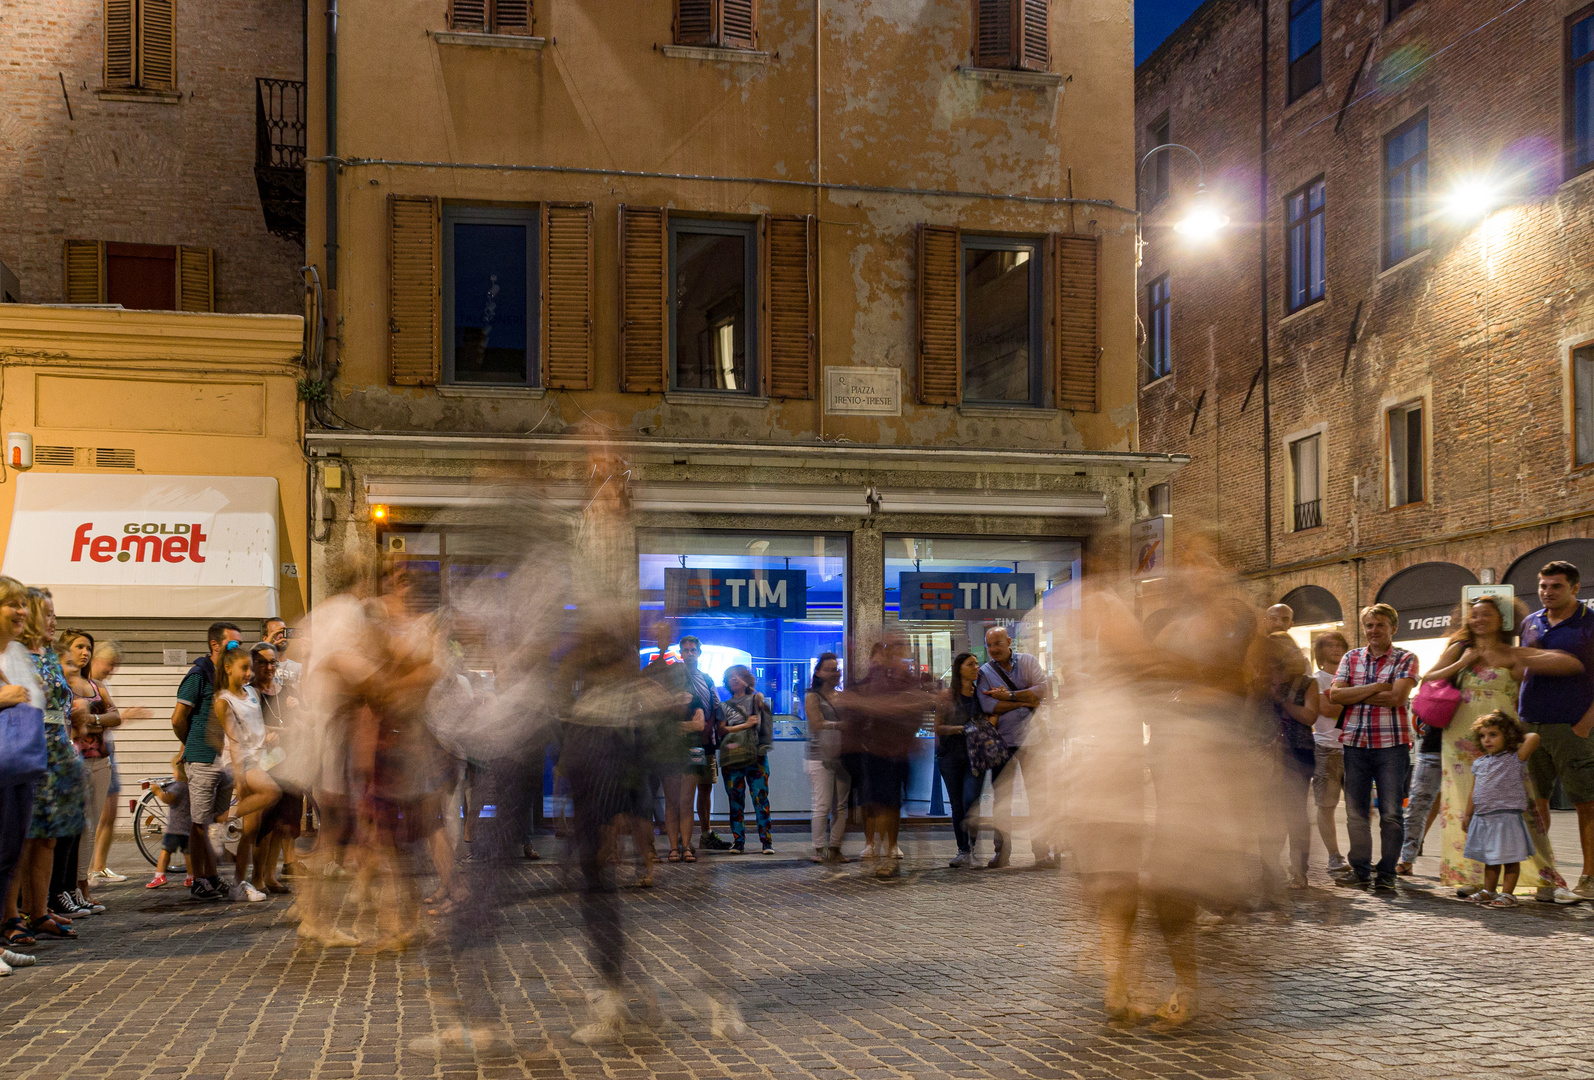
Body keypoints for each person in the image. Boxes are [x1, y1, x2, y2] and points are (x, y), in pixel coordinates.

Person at [1420, 595, 1581, 902]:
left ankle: (1546, 880)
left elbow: (1569, 663)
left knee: (1520, 807)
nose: (1479, 620)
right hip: (1461, 741)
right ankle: (1473, 876)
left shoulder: (1514, 652)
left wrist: (1529, 660)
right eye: (1474, 615)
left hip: (1505, 742)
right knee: (1466, 810)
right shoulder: (1460, 649)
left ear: (1502, 620)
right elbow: (1428, 676)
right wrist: (1462, 663)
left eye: (1486, 615)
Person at [1516, 560, 1594, 899]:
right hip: (1530, 725)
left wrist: (1585, 723)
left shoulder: (1590, 624)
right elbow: (1522, 669)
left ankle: (1589, 877)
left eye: (1556, 586)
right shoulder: (1530, 622)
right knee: (1535, 803)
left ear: (1575, 588)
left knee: (1586, 803)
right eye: (1543, 586)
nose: (1547, 593)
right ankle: (1544, 874)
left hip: (1572, 726)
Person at [1328, 603, 1418, 889]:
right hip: (1355, 743)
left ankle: (1388, 873)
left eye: (1380, 625)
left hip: (1392, 744)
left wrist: (1354, 694)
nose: (1373, 630)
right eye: (1369, 625)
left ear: (1393, 627)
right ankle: (1361, 869)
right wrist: (1378, 686)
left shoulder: (1406, 658)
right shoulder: (1351, 657)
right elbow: (1334, 696)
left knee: (1391, 813)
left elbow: (1396, 698)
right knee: (1356, 813)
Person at [171, 621, 243, 901]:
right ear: (215, 644)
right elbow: (178, 719)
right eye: (233, 643)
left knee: (215, 822)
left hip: (224, 760)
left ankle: (211, 875)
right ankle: (199, 878)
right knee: (199, 822)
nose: (238, 649)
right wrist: (193, 745)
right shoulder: (198, 675)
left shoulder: (227, 676)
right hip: (203, 759)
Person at [977, 626, 1049, 868]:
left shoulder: (1028, 661)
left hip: (1032, 740)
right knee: (1001, 801)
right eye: (989, 645)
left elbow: (1042, 690)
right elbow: (988, 705)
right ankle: (1002, 853)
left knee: (1038, 797)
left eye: (998, 643)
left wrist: (1007, 696)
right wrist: (1022, 698)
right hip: (1002, 742)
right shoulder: (985, 672)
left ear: (1009, 641)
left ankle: (1041, 852)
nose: (993, 649)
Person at [0, 575, 43, 967]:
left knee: (8, 854)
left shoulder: (14, 653)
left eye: (23, 604)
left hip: (17, 767)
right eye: (12, 604)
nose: (22, 611)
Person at [58, 630, 116, 915]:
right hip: (71, 762)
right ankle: (66, 889)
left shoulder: (96, 686)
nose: (85, 653)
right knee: (73, 828)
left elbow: (114, 716)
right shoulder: (60, 686)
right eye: (79, 647)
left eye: (89, 648)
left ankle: (82, 889)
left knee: (90, 827)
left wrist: (93, 720)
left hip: (99, 761)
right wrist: (96, 722)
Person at [1461, 711, 1543, 908]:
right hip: (1484, 817)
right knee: (1491, 857)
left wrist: (1514, 735)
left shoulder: (1515, 758)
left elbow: (1534, 737)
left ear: (1507, 735)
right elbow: (1474, 791)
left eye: (1493, 734)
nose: (1487, 740)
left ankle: (1508, 893)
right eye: (1483, 736)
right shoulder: (1479, 763)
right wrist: (1468, 814)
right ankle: (1489, 890)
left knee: (1510, 858)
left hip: (1506, 817)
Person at [1256, 632, 1318, 889]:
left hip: (1297, 753)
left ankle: (1299, 872)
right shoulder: (1259, 680)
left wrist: (1281, 699)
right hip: (1266, 752)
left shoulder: (1306, 683)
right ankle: (1270, 870)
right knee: (1268, 814)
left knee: (1295, 814)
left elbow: (1309, 716)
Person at [215, 646, 277, 902]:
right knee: (273, 791)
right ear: (228, 668)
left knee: (251, 831)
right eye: (244, 668)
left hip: (259, 758)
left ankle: (239, 884)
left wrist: (278, 733)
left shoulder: (252, 692)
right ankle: (221, 820)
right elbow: (234, 739)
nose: (249, 673)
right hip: (240, 761)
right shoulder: (224, 700)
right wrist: (239, 778)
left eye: (250, 668)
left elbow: (256, 726)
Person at [86, 641, 141, 886]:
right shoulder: (85, 685)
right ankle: (86, 869)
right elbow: (95, 721)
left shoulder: (102, 685)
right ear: (96, 659)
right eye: (110, 663)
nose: (112, 669)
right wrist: (117, 718)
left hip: (108, 750)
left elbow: (112, 718)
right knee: (94, 814)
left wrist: (118, 718)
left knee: (109, 812)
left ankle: (99, 866)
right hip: (91, 752)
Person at [250, 642, 301, 892]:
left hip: (287, 760)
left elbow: (303, 722)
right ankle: (257, 877)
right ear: (253, 665)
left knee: (282, 824)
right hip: (263, 763)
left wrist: (298, 709)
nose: (269, 667)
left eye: (272, 662)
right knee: (265, 825)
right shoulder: (250, 693)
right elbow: (251, 727)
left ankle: (270, 876)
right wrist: (279, 731)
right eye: (262, 662)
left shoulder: (287, 691)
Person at [934, 652, 984, 868]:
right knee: (957, 804)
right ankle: (963, 850)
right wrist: (960, 729)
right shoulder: (947, 696)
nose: (976, 667)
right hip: (951, 755)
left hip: (975, 756)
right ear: (959, 668)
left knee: (971, 800)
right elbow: (937, 727)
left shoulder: (980, 694)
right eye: (970, 664)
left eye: (976, 664)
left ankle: (972, 846)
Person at [679, 637, 728, 853]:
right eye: (686, 650)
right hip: (680, 742)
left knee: (705, 787)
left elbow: (716, 705)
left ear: (699, 653)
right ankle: (682, 835)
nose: (689, 654)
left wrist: (707, 728)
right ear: (681, 653)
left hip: (705, 741)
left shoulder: (706, 679)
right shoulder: (675, 677)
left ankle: (706, 833)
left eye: (693, 650)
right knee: (682, 790)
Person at [718, 665, 774, 855]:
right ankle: (738, 841)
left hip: (756, 755)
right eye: (730, 676)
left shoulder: (757, 699)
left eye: (738, 676)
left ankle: (766, 842)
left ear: (747, 679)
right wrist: (744, 725)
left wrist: (764, 747)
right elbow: (721, 730)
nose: (734, 679)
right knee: (735, 800)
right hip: (733, 757)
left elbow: (766, 724)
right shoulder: (724, 706)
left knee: (761, 798)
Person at [804, 652, 851, 864]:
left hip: (842, 755)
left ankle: (835, 847)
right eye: (830, 669)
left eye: (837, 669)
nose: (835, 673)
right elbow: (816, 723)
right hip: (818, 755)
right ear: (819, 673)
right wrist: (838, 725)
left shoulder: (843, 697)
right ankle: (819, 847)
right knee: (822, 804)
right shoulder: (812, 696)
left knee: (841, 805)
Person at [1309, 631, 1349, 872]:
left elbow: (1336, 707)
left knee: (1358, 807)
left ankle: (1360, 858)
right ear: (1320, 651)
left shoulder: (1354, 677)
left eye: (1339, 645)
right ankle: (1334, 855)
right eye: (1329, 645)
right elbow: (1326, 709)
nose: (1335, 649)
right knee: (1326, 805)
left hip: (1355, 748)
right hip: (1326, 748)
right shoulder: (1317, 680)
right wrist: (1358, 699)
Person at [1396, 718, 1444, 877]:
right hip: (1433, 744)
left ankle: (1474, 871)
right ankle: (1406, 858)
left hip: (1469, 744)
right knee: (1416, 804)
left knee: (1467, 809)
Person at [145, 754, 192, 889]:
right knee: (188, 853)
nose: (173, 773)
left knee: (165, 852)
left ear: (179, 772)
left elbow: (168, 798)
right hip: (187, 827)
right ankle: (191, 877)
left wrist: (157, 791)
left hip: (174, 828)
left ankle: (159, 875)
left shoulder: (178, 786)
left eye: (174, 770)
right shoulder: (189, 786)